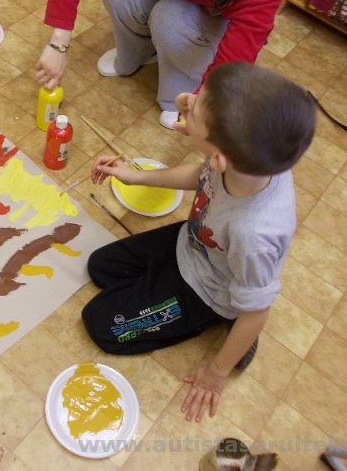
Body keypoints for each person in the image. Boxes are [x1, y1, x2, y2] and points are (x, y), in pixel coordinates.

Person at [83, 62, 317, 422]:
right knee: (100, 266)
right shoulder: (251, 158)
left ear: (220, 157)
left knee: (101, 324)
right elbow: (202, 175)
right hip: (193, 243)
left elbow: (258, 310)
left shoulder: (254, 234)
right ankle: (163, 296)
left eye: (193, 107)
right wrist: (136, 176)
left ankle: (218, 323)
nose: (185, 101)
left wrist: (217, 372)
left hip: (209, 290)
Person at [35, 0, 287, 130]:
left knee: (170, 17)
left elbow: (239, 52)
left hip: (210, 30)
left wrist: (203, 101)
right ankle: (139, 53)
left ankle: (179, 89)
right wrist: (59, 42)